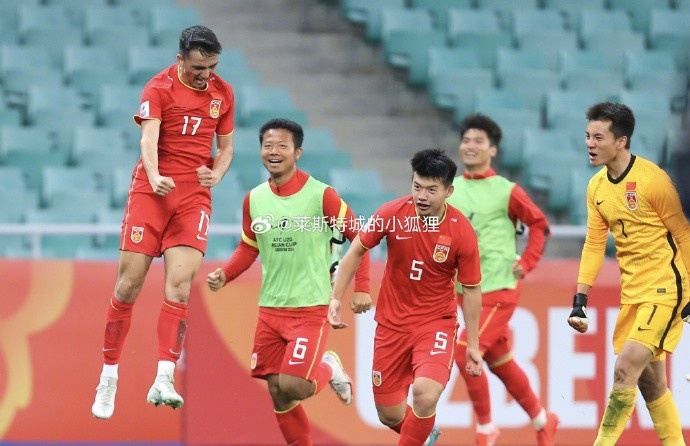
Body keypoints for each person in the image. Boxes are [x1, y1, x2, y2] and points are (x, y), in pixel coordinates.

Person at [91, 25, 235, 420]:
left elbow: (226, 148)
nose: (206, 73)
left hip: (193, 197)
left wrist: (217, 173)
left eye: (212, 66)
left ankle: (164, 376)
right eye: (199, 66)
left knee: (180, 287)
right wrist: (154, 177)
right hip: (151, 193)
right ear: (180, 60)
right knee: (128, 285)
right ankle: (109, 376)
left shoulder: (223, 93)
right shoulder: (158, 88)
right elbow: (147, 140)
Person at [206, 118, 371, 446]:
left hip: (310, 308)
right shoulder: (253, 199)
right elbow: (248, 246)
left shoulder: (321, 195)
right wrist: (225, 274)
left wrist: (363, 287)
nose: (274, 152)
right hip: (270, 310)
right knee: (279, 392)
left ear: (298, 152)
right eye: (267, 146)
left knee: (295, 384)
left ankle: (329, 366)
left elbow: (360, 239)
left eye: (282, 146)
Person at [328, 148, 484, 446]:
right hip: (391, 326)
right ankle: (424, 433)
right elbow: (357, 249)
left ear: (448, 191)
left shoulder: (461, 232)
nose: (422, 196)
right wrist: (336, 297)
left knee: (425, 394)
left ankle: (419, 431)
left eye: (431, 189)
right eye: (417, 186)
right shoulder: (392, 214)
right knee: (388, 413)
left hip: (434, 324)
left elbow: (472, 289)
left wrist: (473, 343)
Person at [567, 102, 690, 445]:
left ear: (620, 141)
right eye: (587, 136)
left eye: (598, 137)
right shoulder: (597, 188)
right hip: (632, 293)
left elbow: (683, 235)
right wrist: (580, 298)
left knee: (624, 368)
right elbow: (593, 244)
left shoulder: (653, 181)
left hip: (666, 289)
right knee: (652, 384)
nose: (590, 143)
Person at [447, 113, 559, 446]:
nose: (470, 146)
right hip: (463, 290)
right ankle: (543, 418)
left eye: (478, 141)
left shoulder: (506, 190)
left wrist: (528, 261)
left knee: (466, 351)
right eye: (466, 139)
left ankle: (486, 428)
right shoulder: (452, 188)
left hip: (497, 289)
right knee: (499, 361)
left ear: (493, 150)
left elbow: (540, 225)